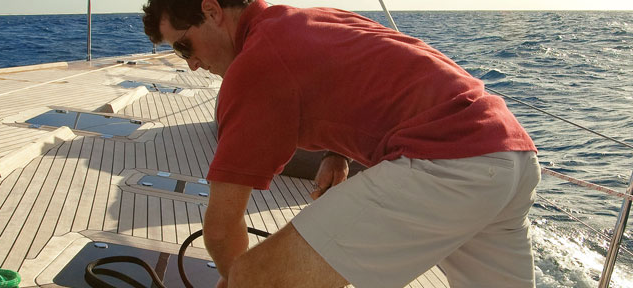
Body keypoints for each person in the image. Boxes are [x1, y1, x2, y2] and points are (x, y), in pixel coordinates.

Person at [141, 0, 540, 287]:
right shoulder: (310, 19)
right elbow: (373, 73)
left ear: (211, 11)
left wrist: (237, 280)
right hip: (511, 155)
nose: (189, 64)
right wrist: (338, 152)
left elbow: (221, 229)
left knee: (253, 278)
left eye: (183, 46)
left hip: (451, 164)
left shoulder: (255, 65)